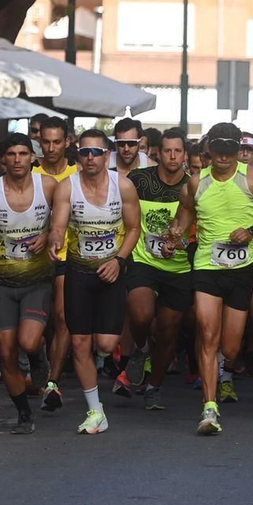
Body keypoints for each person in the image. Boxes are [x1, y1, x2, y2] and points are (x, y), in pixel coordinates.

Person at [173, 122, 253, 437]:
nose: (223, 156)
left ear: (238, 150)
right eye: (218, 150)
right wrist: (175, 234)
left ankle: (224, 369)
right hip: (207, 264)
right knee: (208, 334)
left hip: (241, 266)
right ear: (208, 150)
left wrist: (250, 232)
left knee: (231, 348)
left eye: (230, 150)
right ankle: (209, 407)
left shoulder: (252, 177)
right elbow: (183, 217)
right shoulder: (196, 183)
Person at [48, 128, 141, 435]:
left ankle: (126, 348)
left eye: (96, 152)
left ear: (107, 156)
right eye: (84, 152)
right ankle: (95, 410)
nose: (90, 158)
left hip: (111, 271)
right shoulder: (67, 188)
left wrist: (119, 261)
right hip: (78, 271)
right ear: (78, 156)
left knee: (105, 343)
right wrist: (54, 240)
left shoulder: (123, 186)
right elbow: (59, 225)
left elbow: (133, 229)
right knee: (79, 342)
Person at [0, 134, 56, 433]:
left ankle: (38, 355)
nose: (17, 159)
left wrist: (49, 235)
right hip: (2, 282)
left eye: (23, 153)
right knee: (5, 351)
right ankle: (24, 414)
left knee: (28, 341)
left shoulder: (49, 187)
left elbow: (64, 220)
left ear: (33, 157)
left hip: (37, 280)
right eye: (11, 154)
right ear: (2, 160)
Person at [118, 127, 196, 410]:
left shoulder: (194, 185)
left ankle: (154, 386)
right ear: (157, 153)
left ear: (185, 154)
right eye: (167, 151)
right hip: (143, 260)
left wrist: (181, 240)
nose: (172, 156)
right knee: (141, 315)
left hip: (179, 267)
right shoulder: (138, 180)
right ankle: (140, 348)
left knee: (168, 330)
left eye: (178, 151)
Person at [34, 117, 77, 412]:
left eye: (56, 142)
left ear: (67, 142)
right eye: (45, 142)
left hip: (68, 257)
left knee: (62, 318)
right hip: (30, 260)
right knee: (37, 325)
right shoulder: (29, 171)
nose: (50, 148)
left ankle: (52, 382)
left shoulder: (78, 174)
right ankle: (38, 364)